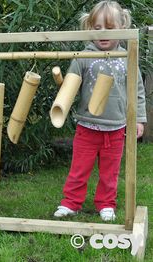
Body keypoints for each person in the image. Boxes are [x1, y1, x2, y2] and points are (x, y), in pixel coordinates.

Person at [54, 1, 147, 221]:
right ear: (89, 28)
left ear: (122, 28)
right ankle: (71, 203)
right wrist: (62, 86)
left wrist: (140, 120)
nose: (103, 34)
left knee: (110, 172)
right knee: (79, 169)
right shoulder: (83, 57)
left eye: (110, 28)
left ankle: (106, 204)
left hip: (116, 128)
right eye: (97, 28)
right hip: (86, 127)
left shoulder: (127, 57)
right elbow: (70, 86)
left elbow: (138, 91)